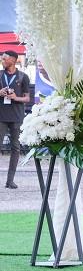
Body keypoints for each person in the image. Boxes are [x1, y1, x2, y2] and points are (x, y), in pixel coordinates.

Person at [0, 51, 31, 189]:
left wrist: (15, 98)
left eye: (4, 58)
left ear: (12, 60)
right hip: (1, 116)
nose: (2, 60)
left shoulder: (23, 77)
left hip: (17, 117)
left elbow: (27, 98)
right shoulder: (0, 75)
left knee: (15, 148)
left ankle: (10, 180)